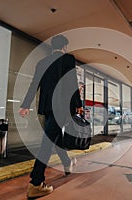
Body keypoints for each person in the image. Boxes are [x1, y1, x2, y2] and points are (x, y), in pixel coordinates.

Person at [18, 35, 83, 198]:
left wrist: (25, 104)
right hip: (62, 106)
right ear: (65, 46)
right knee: (48, 141)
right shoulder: (68, 59)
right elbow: (72, 82)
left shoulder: (42, 63)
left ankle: (67, 163)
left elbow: (34, 85)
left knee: (54, 135)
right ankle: (35, 183)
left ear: (52, 47)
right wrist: (79, 104)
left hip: (47, 107)